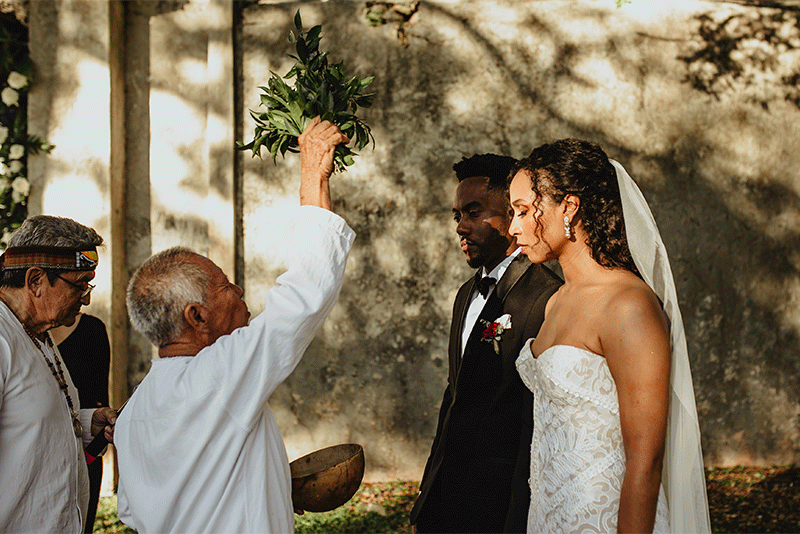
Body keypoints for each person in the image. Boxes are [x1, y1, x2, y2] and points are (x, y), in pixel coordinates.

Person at [113, 117, 355, 534]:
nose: (239, 289)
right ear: (196, 317)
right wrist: (313, 176)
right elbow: (306, 292)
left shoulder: (134, 412)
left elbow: (134, 513)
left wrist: (269, 487)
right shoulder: (216, 374)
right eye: (225, 285)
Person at [508, 138, 711, 533]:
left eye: (523, 211)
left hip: (607, 516)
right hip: (550, 513)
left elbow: (646, 460)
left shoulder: (628, 306)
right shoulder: (556, 302)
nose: (513, 228)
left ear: (568, 207)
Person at [409, 154, 562, 533]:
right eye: (457, 215)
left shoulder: (546, 297)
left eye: (474, 212)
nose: (461, 226)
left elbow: (534, 423)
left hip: (501, 506)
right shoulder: (465, 294)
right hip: (449, 501)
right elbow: (454, 398)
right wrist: (427, 500)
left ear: (511, 216)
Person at [0, 215, 117, 533]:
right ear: (35, 281)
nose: (88, 297)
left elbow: (23, 421)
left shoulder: (38, 331)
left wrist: (85, 421)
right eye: (79, 285)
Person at [51, 313, 111, 533]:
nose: (86, 298)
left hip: (83, 453)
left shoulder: (92, 330)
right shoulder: (17, 335)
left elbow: (99, 399)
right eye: (80, 283)